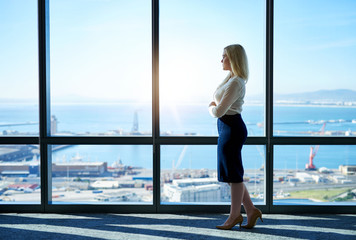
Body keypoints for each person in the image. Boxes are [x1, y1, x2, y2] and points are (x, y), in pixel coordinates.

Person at [209, 44, 262, 230]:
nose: (221, 59)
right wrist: (215, 106)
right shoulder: (230, 79)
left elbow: (218, 110)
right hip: (226, 128)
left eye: (224, 56)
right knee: (233, 175)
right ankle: (251, 210)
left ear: (233, 59)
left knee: (234, 176)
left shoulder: (236, 82)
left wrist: (210, 107)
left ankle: (234, 216)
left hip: (231, 128)